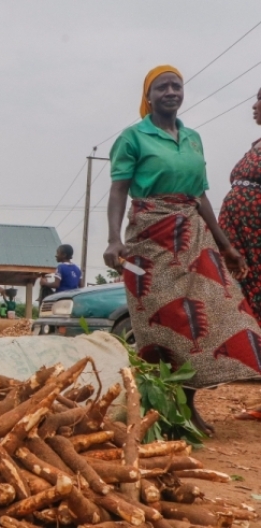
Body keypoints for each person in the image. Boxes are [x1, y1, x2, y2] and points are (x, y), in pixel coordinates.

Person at [103, 65, 261, 436]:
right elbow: (118, 190)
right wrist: (113, 239)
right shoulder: (133, 138)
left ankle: (188, 406)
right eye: (162, 87)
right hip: (149, 237)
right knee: (162, 325)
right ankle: (163, 409)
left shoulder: (192, 138)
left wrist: (226, 247)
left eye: (177, 85)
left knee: (209, 319)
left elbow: (200, 195)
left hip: (192, 236)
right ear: (149, 96)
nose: (171, 92)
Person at [219, 86, 261, 320]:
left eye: (260, 100)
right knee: (234, 285)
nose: (254, 106)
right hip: (236, 233)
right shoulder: (256, 143)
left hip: (256, 236)